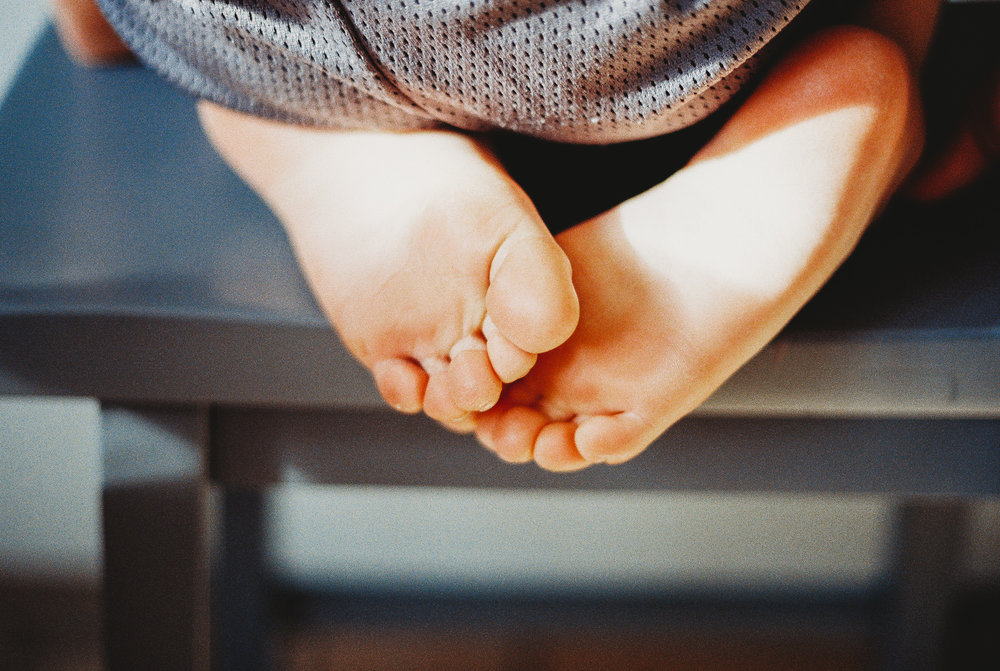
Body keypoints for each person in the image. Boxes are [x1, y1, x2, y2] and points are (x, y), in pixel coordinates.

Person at [52, 0, 945, 471]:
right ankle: (870, 78)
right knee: (897, 44)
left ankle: (321, 142)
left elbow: (96, 32)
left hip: (266, 36)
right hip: (636, 42)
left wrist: (105, 28)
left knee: (220, 64)